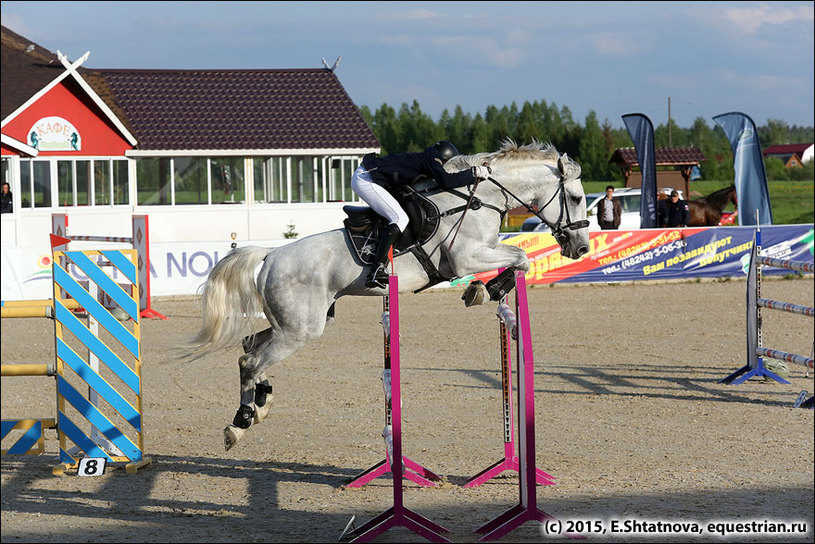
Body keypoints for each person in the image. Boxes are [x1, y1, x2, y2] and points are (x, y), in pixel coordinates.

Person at [351, 141, 490, 288]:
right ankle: (377, 269)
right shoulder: (432, 159)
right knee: (399, 218)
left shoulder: (427, 158)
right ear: (445, 158)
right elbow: (447, 181)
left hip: (369, 176)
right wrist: (473, 173)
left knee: (398, 214)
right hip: (366, 179)